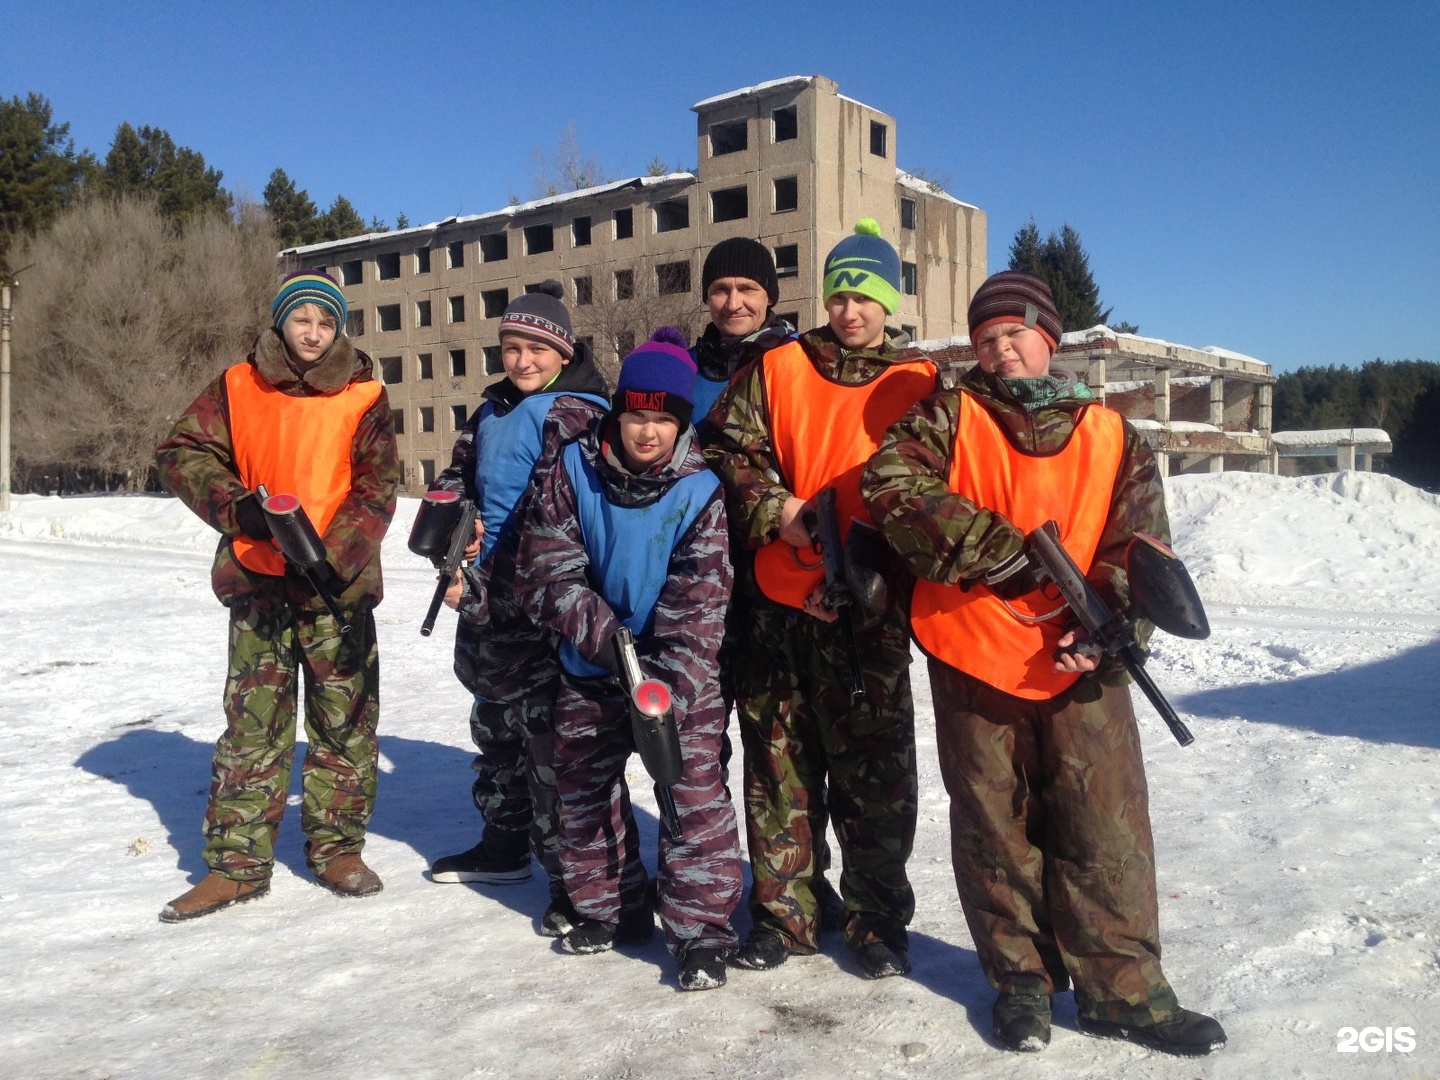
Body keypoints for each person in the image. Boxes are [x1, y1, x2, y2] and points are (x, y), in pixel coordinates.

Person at [860, 271, 1226, 1055]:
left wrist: (1114, 617)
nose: (1001, 350)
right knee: (996, 827)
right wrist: (998, 553)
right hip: (973, 651)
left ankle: (1124, 991)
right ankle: (1021, 985)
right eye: (986, 339)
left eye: (1015, 333)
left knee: (1107, 829)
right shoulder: (948, 415)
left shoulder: (1113, 433)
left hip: (1081, 660)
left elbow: (1142, 542)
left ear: (1049, 339)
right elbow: (890, 484)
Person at [704, 219, 938, 979]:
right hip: (779, 602)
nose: (850, 310)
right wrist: (779, 511)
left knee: (875, 775)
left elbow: (945, 490)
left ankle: (876, 923)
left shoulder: (923, 383)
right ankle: (785, 916)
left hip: (868, 612)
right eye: (839, 293)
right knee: (780, 766)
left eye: (865, 295)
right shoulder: (779, 366)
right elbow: (726, 451)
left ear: (888, 301)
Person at [155, 269, 400, 921]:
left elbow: (378, 487)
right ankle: (236, 865)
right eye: (302, 319)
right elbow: (182, 452)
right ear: (280, 322)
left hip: (336, 589)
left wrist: (329, 557)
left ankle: (337, 850)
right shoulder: (237, 385)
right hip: (258, 580)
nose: (313, 332)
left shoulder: (364, 393)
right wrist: (242, 510)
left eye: (326, 321)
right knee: (253, 726)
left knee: (343, 722)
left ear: (338, 328)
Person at [514, 329, 742, 991]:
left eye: (663, 419)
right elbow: (550, 569)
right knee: (583, 793)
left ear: (681, 423)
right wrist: (608, 640)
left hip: (676, 675)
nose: (648, 432)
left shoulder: (701, 492)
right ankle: (610, 907)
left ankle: (702, 932)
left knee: (692, 795)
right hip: (591, 660)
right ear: (619, 415)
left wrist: (663, 686)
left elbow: (700, 601)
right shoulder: (571, 470)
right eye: (637, 415)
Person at [427, 280, 609, 939]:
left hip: (540, 606)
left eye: (535, 347)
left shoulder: (576, 413)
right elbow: (460, 474)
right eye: (510, 347)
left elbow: (557, 518)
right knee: (495, 728)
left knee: (550, 748)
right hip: (484, 597)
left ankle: (571, 879)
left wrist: (496, 587)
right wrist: (449, 522)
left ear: (562, 350)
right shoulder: (493, 410)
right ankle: (503, 845)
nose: (522, 359)